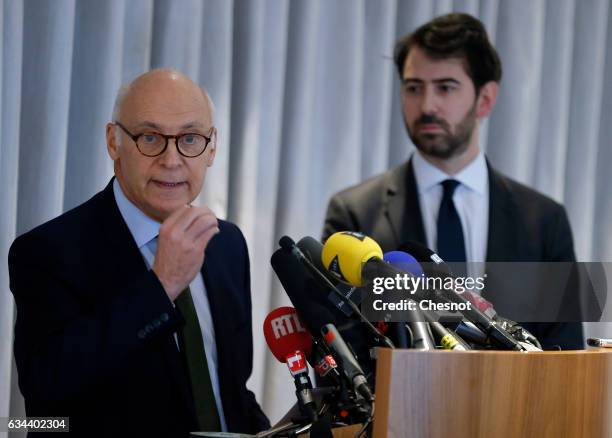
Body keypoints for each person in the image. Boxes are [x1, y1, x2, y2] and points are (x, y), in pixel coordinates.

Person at [9, 69, 270, 436]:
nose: (172, 159)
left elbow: (228, 389)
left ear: (211, 148)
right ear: (114, 142)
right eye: (150, 137)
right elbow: (44, 401)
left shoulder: (225, 243)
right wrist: (161, 286)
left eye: (190, 138)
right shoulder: (50, 252)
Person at [323, 13, 586, 350]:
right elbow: (338, 347)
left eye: (445, 88)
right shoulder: (355, 215)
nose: (427, 105)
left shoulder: (544, 223)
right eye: (414, 88)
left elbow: (564, 355)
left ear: (485, 99)